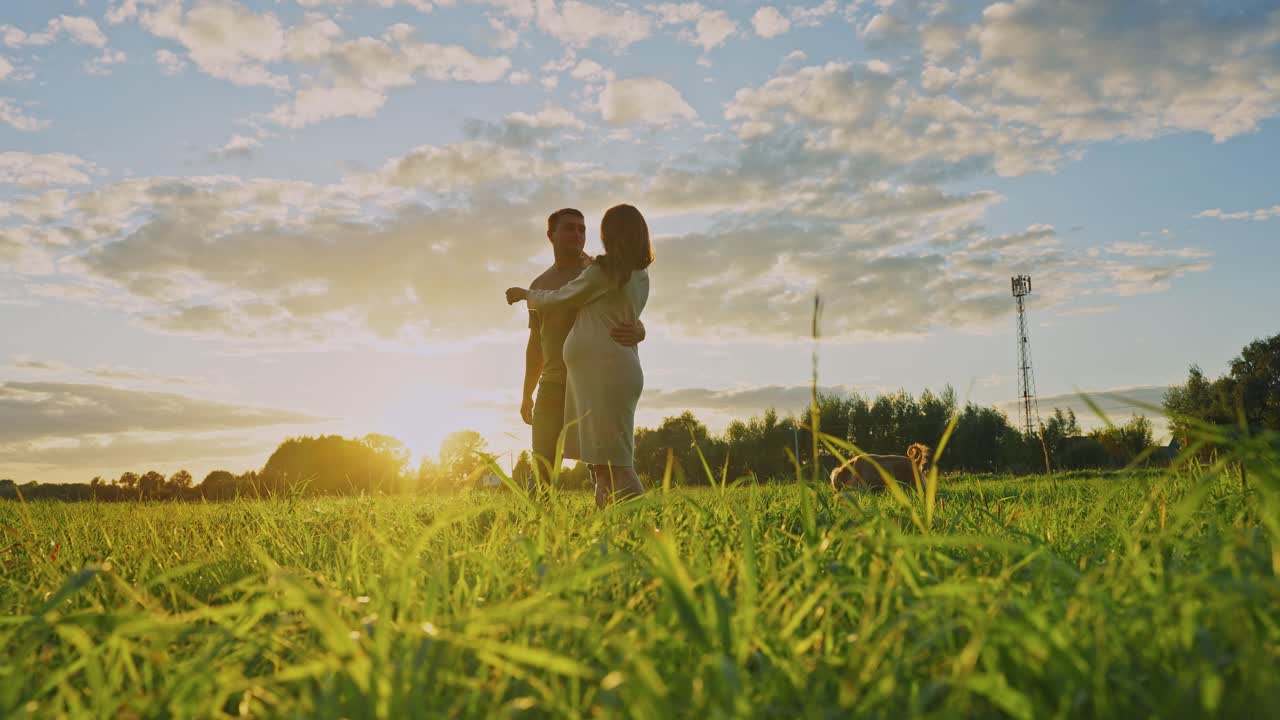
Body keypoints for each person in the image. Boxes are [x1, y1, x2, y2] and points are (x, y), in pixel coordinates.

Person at [507, 204, 653, 507]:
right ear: (551, 235)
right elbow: (536, 342)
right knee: (543, 466)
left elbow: (624, 309)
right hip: (554, 383)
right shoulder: (541, 284)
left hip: (592, 382)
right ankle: (538, 528)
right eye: (569, 228)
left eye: (583, 229)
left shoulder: (602, 269)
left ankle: (635, 523)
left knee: (605, 465)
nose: (578, 234)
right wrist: (526, 393)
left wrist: (640, 329)